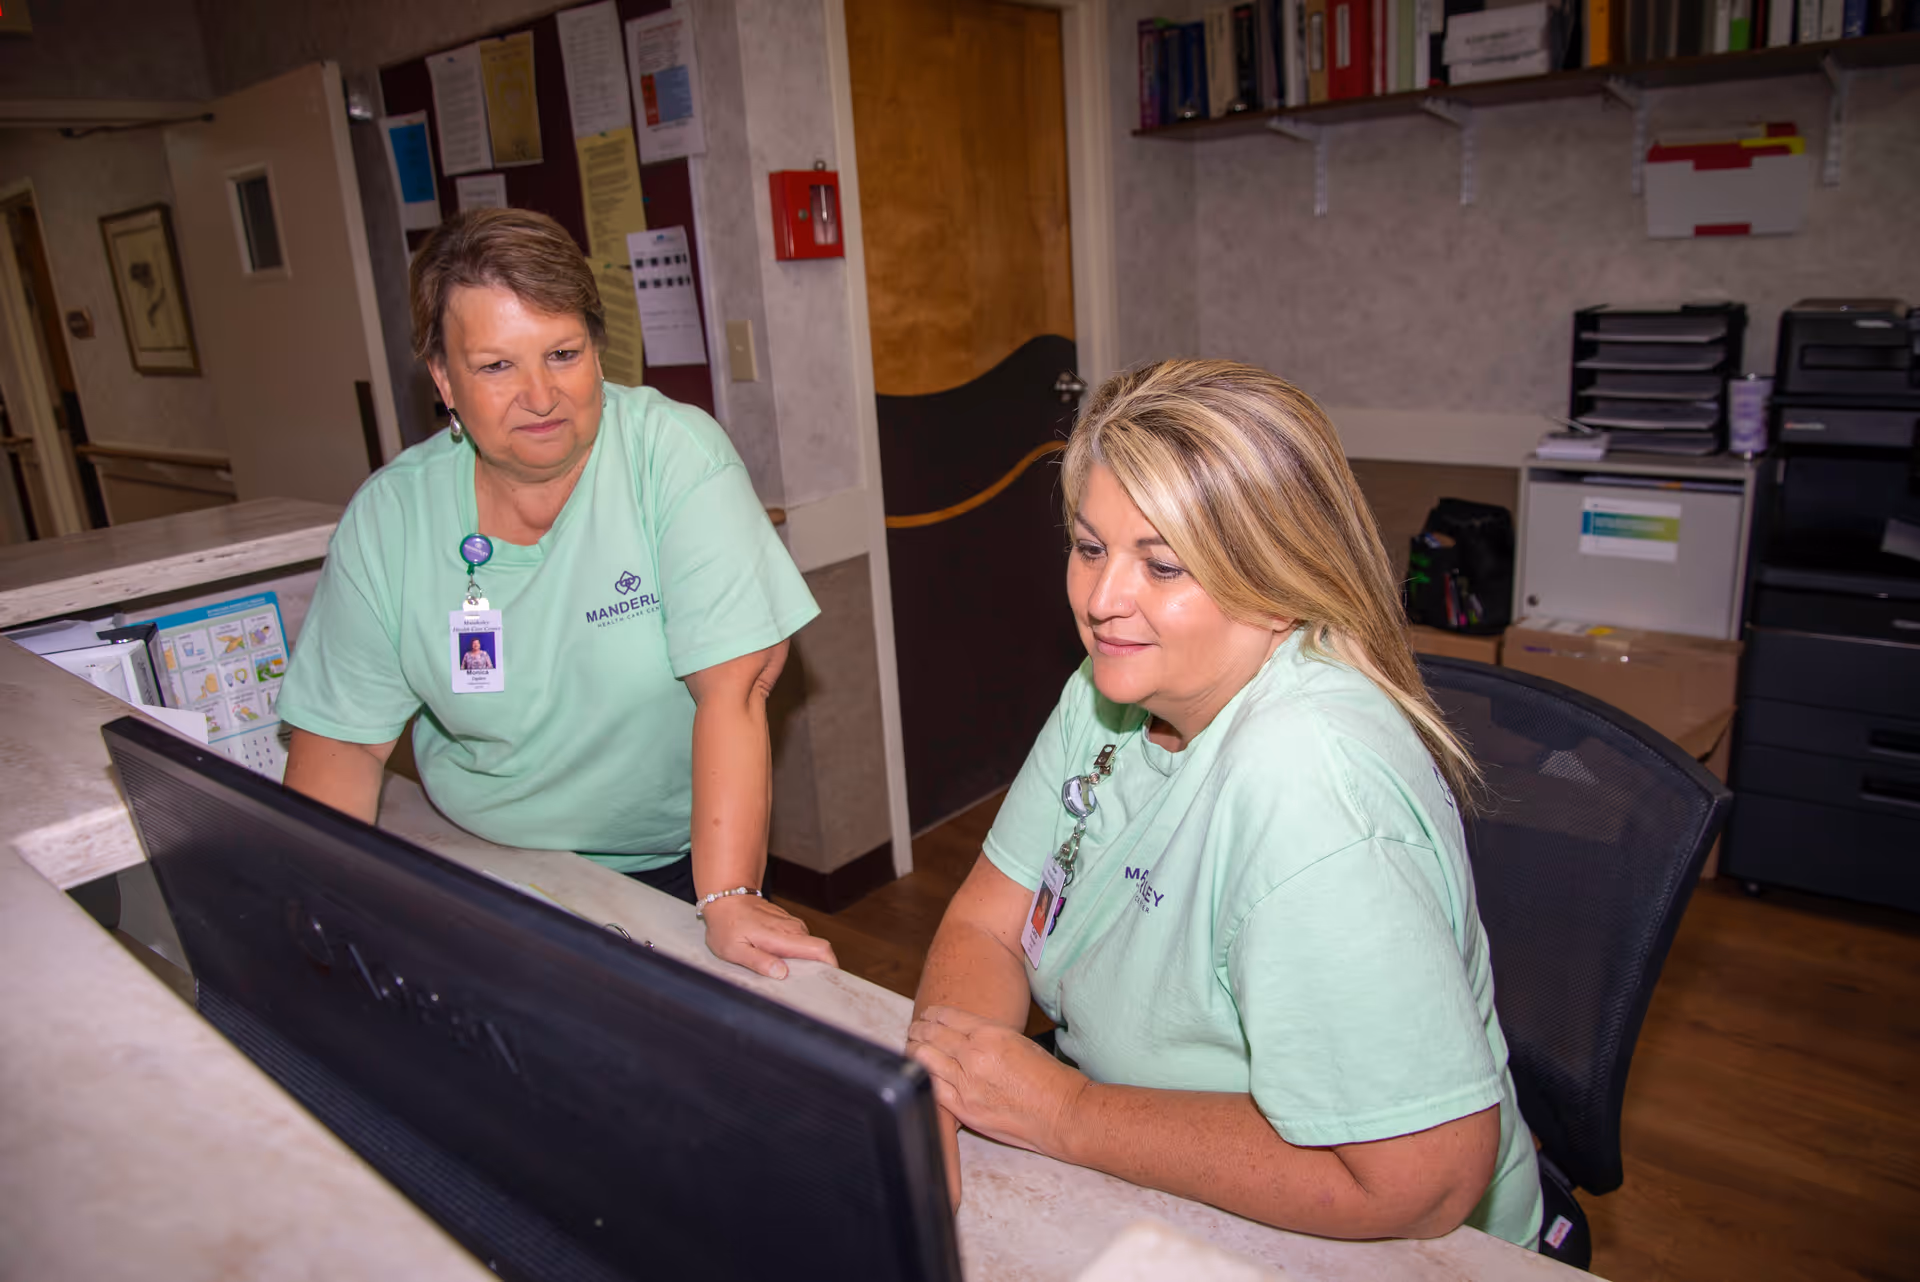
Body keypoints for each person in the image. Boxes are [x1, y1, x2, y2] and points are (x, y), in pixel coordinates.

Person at [905, 359, 1541, 1248]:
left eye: (1162, 565)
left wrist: (1069, 1112)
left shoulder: (1310, 784)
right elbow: (986, 922)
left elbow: (1423, 1181)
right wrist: (944, 1077)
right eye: (1091, 548)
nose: (1101, 601)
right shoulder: (1110, 687)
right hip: (1144, 1179)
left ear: (1280, 581)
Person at [280, 208, 833, 981]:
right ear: (443, 379)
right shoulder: (391, 517)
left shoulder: (673, 456)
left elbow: (735, 692)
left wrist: (731, 894)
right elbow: (341, 743)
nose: (540, 395)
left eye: (563, 354)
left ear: (597, 352)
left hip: (677, 874)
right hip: (480, 863)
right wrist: (321, 902)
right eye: (497, 366)